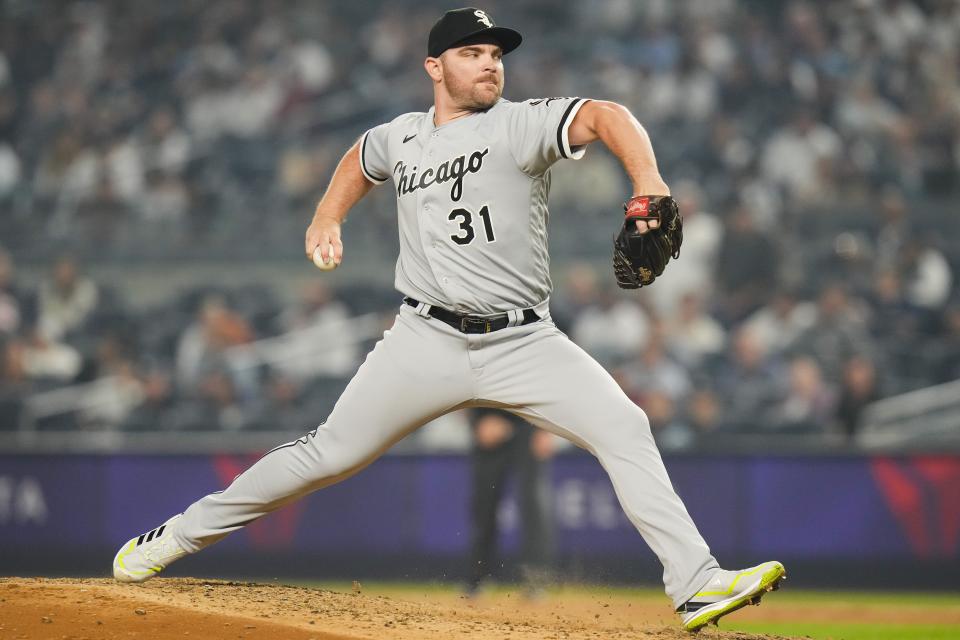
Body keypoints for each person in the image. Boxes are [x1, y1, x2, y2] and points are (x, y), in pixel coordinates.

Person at [112, 8, 784, 632]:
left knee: (625, 426)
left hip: (525, 339)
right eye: (472, 52)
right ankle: (173, 537)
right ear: (435, 67)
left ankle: (695, 582)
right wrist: (327, 214)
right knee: (326, 456)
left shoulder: (518, 124)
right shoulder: (401, 135)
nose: (491, 63)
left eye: (496, 53)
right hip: (424, 338)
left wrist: (649, 182)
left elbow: (607, 115)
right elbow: (360, 158)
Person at [467, 408, 554, 597]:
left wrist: (545, 428)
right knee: (484, 506)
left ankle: (536, 582)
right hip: (490, 418)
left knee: (533, 505)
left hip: (529, 423)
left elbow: (544, 379)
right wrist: (478, 421)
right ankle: (477, 579)